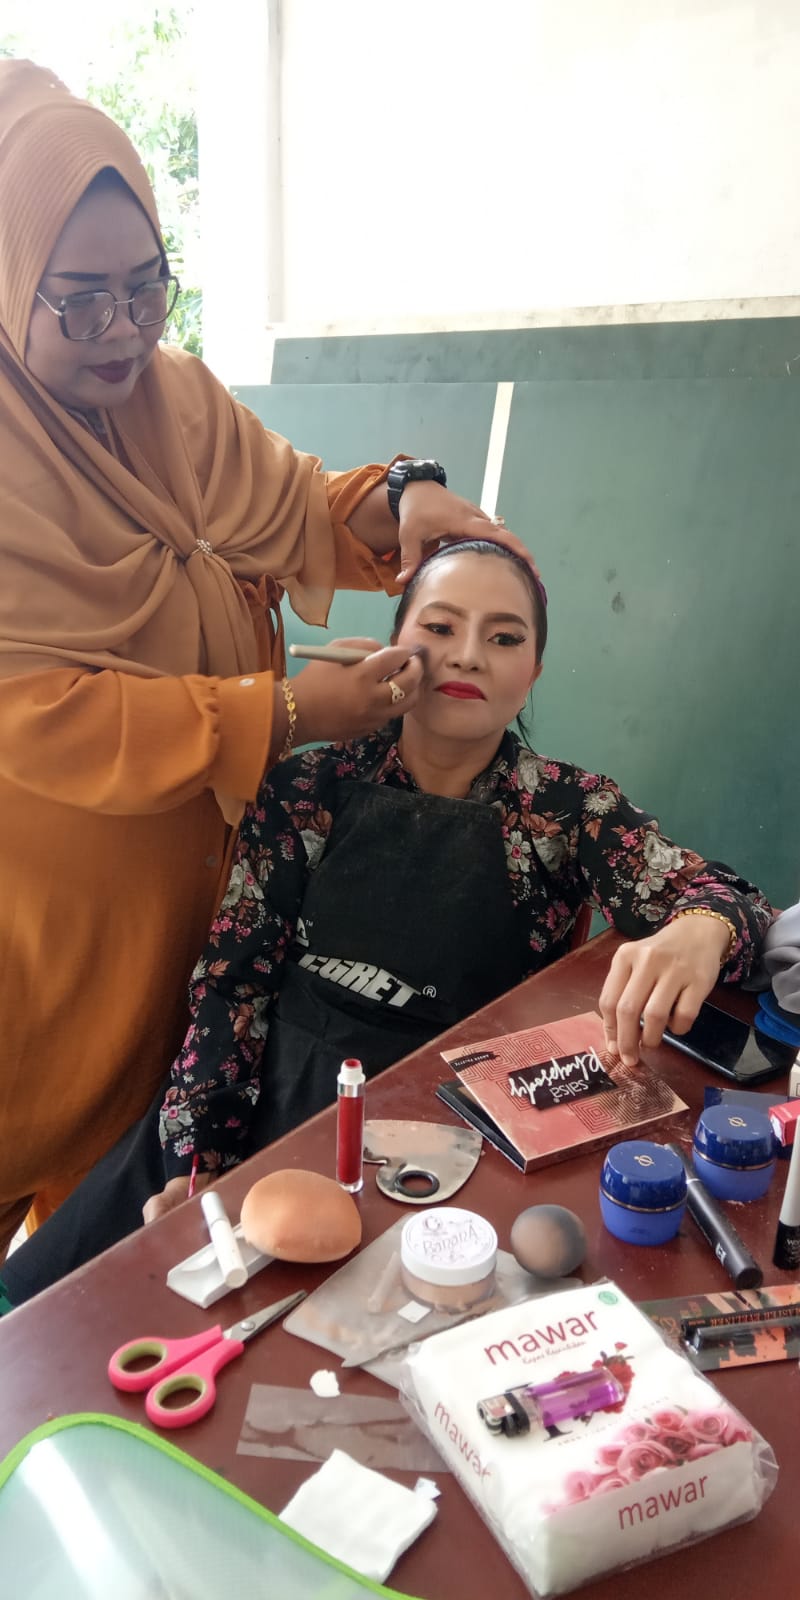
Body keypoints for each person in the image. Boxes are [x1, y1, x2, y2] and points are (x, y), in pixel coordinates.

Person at [0, 59, 516, 1254]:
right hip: (41, 931)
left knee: (111, 1232)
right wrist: (284, 714)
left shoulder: (173, 401)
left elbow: (296, 505)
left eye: (147, 287)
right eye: (80, 301)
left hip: (186, 912)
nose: (126, 331)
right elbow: (37, 711)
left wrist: (405, 496)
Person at [1, 538, 771, 1306]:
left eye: (504, 638)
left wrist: (701, 927)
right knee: (52, 1318)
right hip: (254, 1103)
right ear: (394, 647)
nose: (467, 655)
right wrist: (197, 1164)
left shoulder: (570, 810)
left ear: (533, 672)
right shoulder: (310, 783)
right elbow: (233, 987)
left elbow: (730, 901)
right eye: (439, 627)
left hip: (440, 1150)